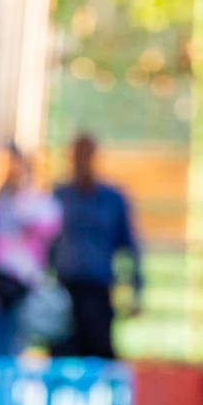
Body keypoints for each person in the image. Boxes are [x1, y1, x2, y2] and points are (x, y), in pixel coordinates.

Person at [0, 145, 62, 361]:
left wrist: (21, 195)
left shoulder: (33, 200)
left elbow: (49, 222)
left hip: (20, 294)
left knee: (13, 355)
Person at [50, 133, 143, 359]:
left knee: (99, 357)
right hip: (65, 292)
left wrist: (136, 288)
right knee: (63, 358)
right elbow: (45, 244)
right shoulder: (60, 196)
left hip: (98, 292)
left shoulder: (111, 199)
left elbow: (129, 245)